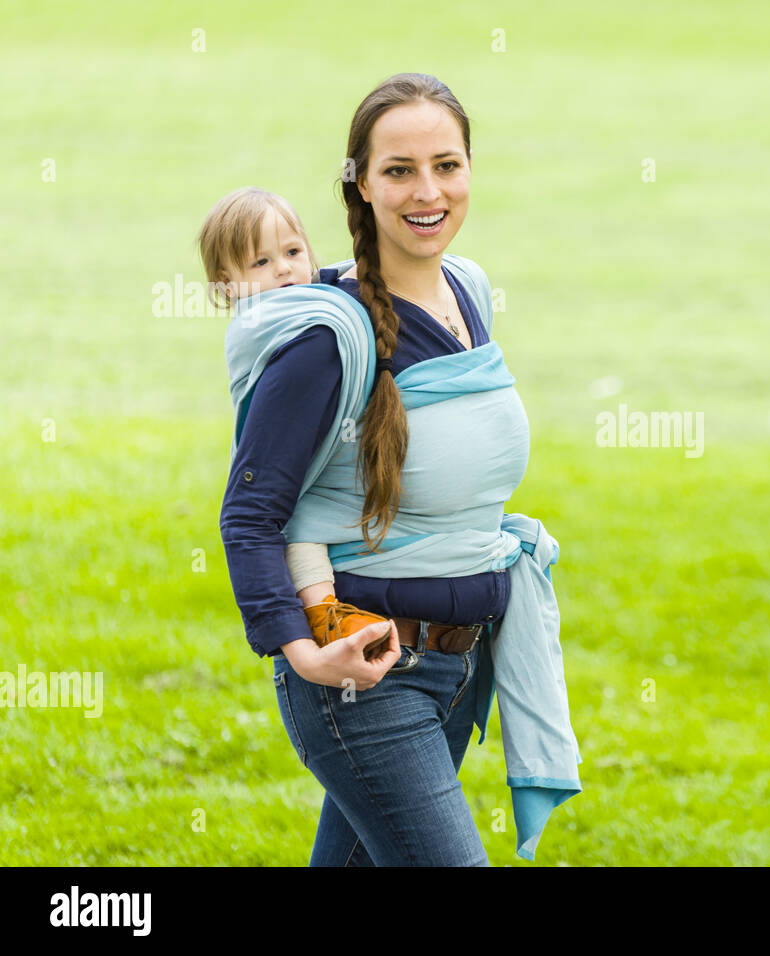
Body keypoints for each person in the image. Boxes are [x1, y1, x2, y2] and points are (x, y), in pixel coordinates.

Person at [218, 73, 581, 866]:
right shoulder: (327, 337)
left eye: (447, 165)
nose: (428, 191)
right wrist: (305, 651)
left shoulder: (468, 290)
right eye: (399, 170)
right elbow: (249, 514)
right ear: (360, 183)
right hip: (366, 678)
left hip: (457, 665)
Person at [198, 187, 396, 658]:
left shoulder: (317, 304)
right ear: (228, 286)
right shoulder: (291, 328)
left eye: (292, 251)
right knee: (303, 532)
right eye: (260, 263)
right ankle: (324, 613)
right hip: (298, 484)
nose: (284, 269)